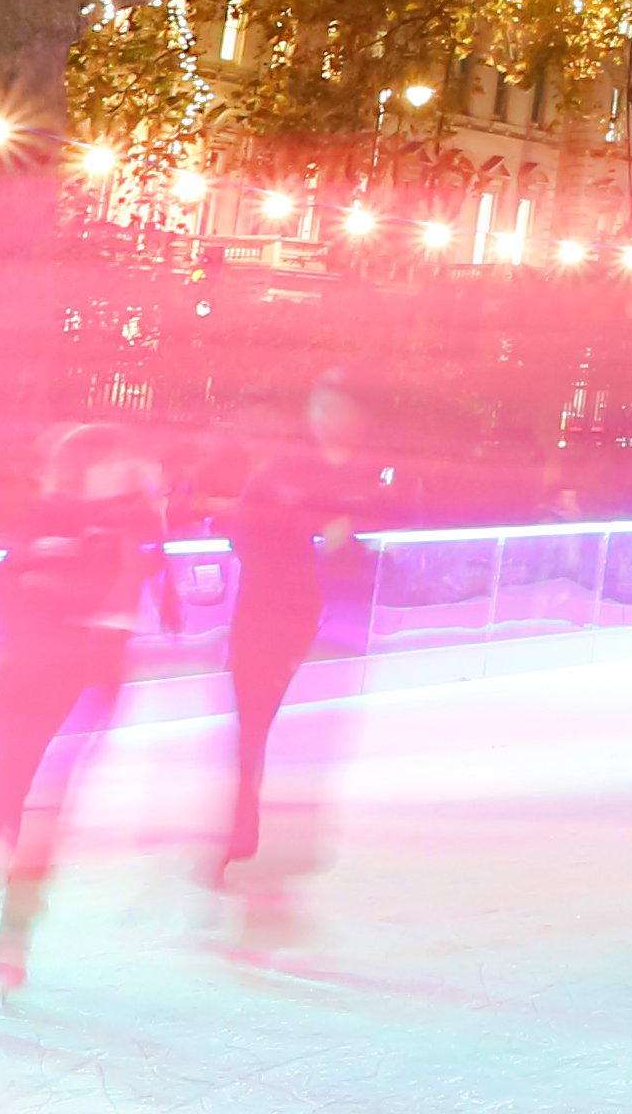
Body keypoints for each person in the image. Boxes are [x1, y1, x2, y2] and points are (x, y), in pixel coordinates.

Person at [0, 426, 164, 1002]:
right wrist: (41, 596)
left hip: (82, 681)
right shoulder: (41, 516)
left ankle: (11, 940)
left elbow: (121, 596)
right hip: (19, 671)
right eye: (109, 462)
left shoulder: (129, 528)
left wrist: (53, 590)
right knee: (1, 796)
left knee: (38, 809)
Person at [213, 378, 366, 889]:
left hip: (301, 615)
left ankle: (260, 825)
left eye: (337, 408)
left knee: (271, 720)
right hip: (265, 609)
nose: (326, 418)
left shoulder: (341, 477)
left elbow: (346, 556)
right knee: (253, 720)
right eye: (320, 407)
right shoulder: (286, 470)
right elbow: (246, 533)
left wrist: (332, 545)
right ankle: (244, 824)